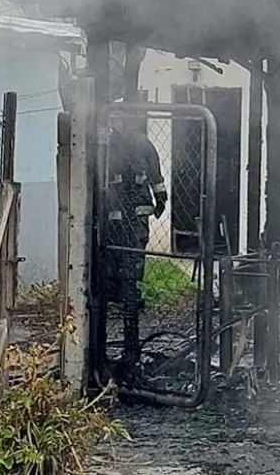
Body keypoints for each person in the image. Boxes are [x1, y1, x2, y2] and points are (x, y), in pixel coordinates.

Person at [106, 114, 167, 381]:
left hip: (117, 221)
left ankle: (126, 342)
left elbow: (156, 180)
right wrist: (160, 201)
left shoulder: (110, 144)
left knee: (121, 275)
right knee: (130, 275)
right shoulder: (141, 144)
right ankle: (129, 336)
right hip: (132, 221)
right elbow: (158, 182)